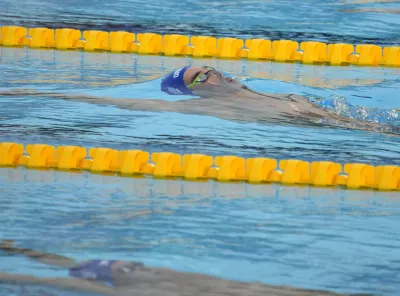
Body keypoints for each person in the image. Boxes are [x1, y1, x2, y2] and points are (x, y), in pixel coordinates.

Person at [0, 65, 398, 134]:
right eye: (201, 75)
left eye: (208, 67)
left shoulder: (256, 90)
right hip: (315, 127)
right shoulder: (205, 106)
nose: (214, 72)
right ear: (196, 90)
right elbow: (114, 103)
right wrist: (32, 90)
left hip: (335, 120)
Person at [0, 240, 378, 296]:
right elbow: (37, 274)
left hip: (126, 274)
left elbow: (47, 269)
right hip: (124, 275)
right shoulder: (129, 290)